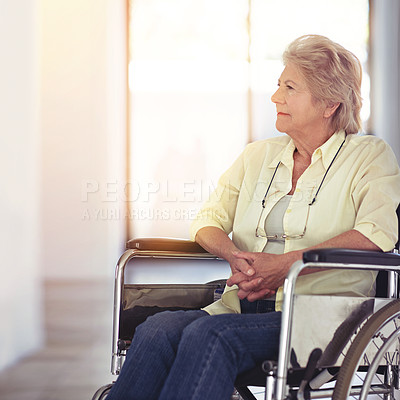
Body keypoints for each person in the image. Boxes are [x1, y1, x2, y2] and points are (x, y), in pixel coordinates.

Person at [106, 35, 400, 400]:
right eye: (278, 85)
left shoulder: (369, 156)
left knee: (209, 336)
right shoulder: (257, 156)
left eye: (290, 88)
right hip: (239, 304)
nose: (276, 97)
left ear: (329, 103)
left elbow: (375, 234)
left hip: (319, 318)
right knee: (158, 329)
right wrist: (235, 257)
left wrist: (286, 266)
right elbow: (209, 219)